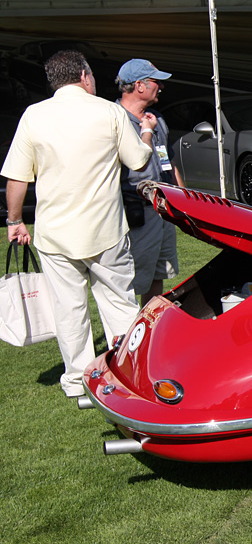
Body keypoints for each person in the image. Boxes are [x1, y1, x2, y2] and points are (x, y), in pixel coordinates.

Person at [2, 50, 155, 398]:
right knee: (119, 302)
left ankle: (77, 379)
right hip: (106, 229)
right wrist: (145, 135)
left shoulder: (34, 115)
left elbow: (16, 177)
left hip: (55, 232)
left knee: (69, 309)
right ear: (85, 77)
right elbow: (137, 160)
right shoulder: (110, 111)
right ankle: (127, 372)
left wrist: (15, 221)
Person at [115, 59, 183, 305]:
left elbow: (169, 161)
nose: (161, 87)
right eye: (156, 81)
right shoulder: (114, 120)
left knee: (158, 274)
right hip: (137, 215)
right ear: (139, 86)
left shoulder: (158, 119)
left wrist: (184, 200)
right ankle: (126, 336)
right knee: (131, 280)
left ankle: (150, 331)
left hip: (163, 212)